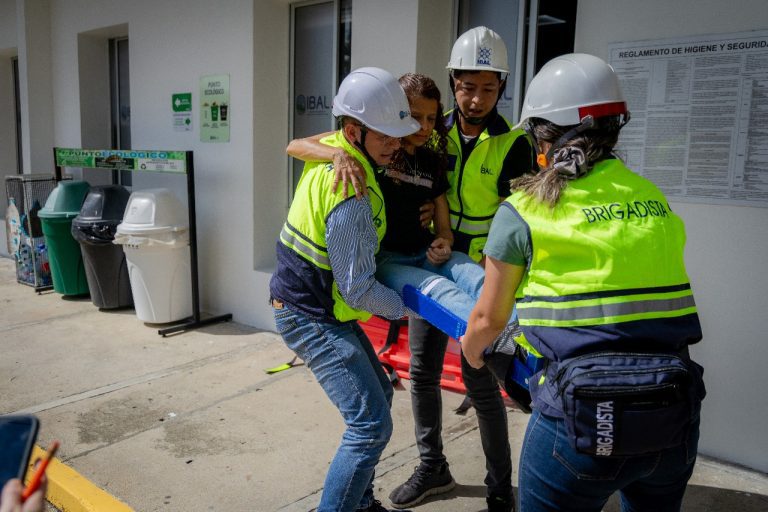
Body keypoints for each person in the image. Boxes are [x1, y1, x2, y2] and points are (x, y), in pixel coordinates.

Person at [461, 53, 706, 512]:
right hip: (672, 419)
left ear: (543, 136)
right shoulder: (651, 197)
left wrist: (473, 357)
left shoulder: (524, 211)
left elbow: (487, 319)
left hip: (581, 423)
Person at [269, 67, 421, 512]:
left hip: (317, 308)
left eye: (399, 134)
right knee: (370, 424)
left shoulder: (335, 149)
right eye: (387, 136)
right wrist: (409, 310)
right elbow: (357, 291)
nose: (398, 145)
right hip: (310, 315)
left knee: (380, 396)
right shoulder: (351, 193)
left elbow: (299, 143)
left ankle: (359, 501)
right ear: (354, 131)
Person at [287, 72, 489, 331]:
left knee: (475, 277)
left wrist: (445, 241)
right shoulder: (375, 151)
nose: (424, 126)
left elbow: (441, 217)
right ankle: (492, 338)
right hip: (388, 260)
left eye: (431, 119)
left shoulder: (430, 159)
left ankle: (516, 333)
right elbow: (296, 145)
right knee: (441, 293)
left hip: (424, 252)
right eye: (415, 117)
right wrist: (338, 154)